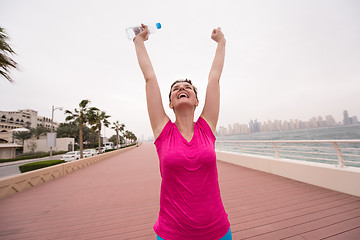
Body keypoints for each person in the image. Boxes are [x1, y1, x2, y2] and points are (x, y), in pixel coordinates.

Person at [133, 24, 231, 240]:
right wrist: (139, 42)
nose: (181, 89)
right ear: (170, 103)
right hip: (173, 233)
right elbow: (150, 79)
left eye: (187, 87)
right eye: (175, 88)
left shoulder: (207, 128)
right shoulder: (163, 131)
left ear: (197, 101)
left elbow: (214, 78)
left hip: (217, 231)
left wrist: (221, 42)